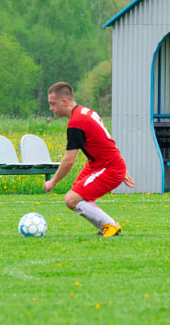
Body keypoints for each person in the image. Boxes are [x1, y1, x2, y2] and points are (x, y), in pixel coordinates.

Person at [43, 82, 134, 237]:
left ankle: (110, 226)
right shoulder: (86, 112)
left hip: (108, 168)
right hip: (101, 165)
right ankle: (105, 227)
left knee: (71, 199)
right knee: (75, 195)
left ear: (64, 101)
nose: (51, 108)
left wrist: (53, 182)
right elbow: (106, 140)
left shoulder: (76, 123)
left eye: (53, 104)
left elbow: (69, 160)